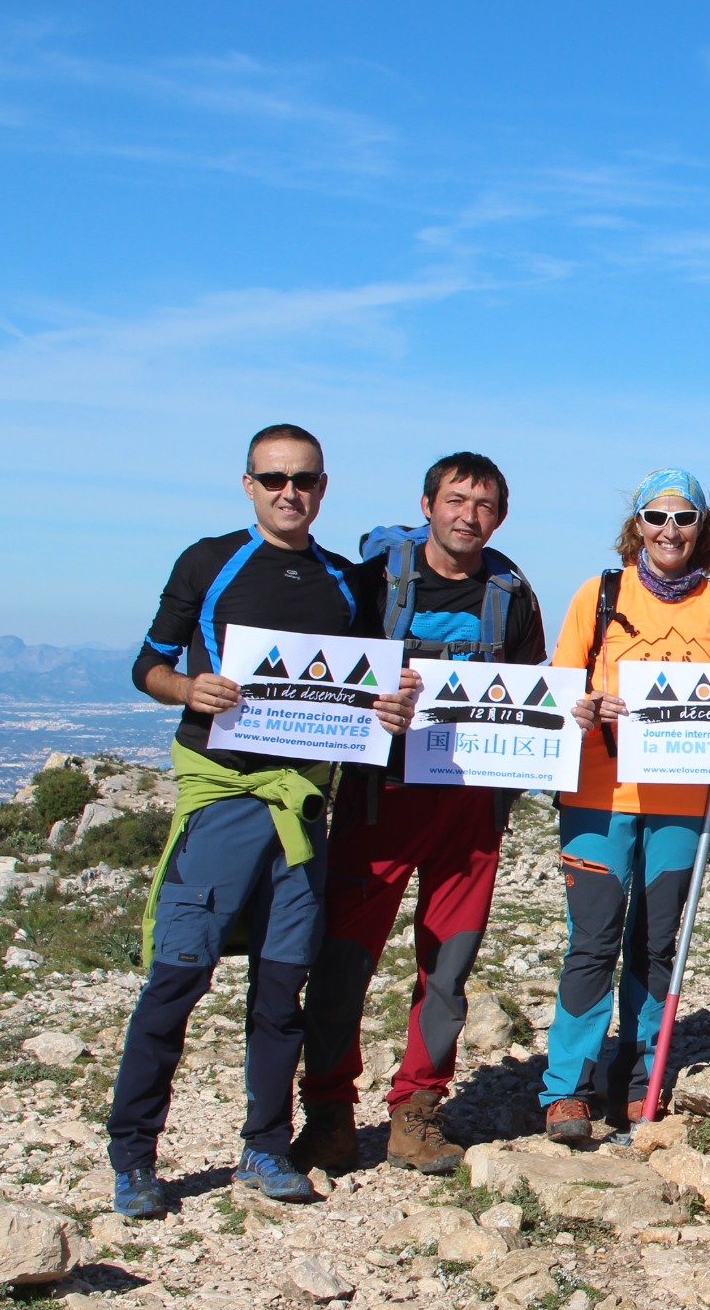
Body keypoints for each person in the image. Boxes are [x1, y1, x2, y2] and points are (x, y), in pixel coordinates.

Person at [109, 425, 418, 1216]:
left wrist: (387, 709)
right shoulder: (211, 562)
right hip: (222, 798)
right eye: (274, 478)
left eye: (305, 480)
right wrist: (188, 692)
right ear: (248, 484)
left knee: (282, 990)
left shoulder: (350, 583)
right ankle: (134, 1156)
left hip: (303, 809)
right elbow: (147, 664)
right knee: (177, 980)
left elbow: (361, 693)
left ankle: (265, 1147)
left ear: (323, 487)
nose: (291, 493)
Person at [289, 453, 548, 1176]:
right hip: (381, 801)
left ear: (500, 516)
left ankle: (417, 1113)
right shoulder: (375, 582)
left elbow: (530, 693)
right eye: (456, 500)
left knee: (448, 968)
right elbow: (330, 678)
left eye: (485, 505)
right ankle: (330, 1115)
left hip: (469, 814)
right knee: (344, 963)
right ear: (428, 503)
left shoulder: (511, 592)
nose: (469, 516)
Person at [540, 471, 710, 1143]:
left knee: (657, 943)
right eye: (656, 517)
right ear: (636, 526)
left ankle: (637, 1081)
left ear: (702, 528)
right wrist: (583, 706)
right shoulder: (597, 596)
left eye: (684, 518)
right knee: (593, 942)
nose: (670, 531)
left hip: (683, 802)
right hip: (598, 796)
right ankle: (567, 1088)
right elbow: (555, 694)